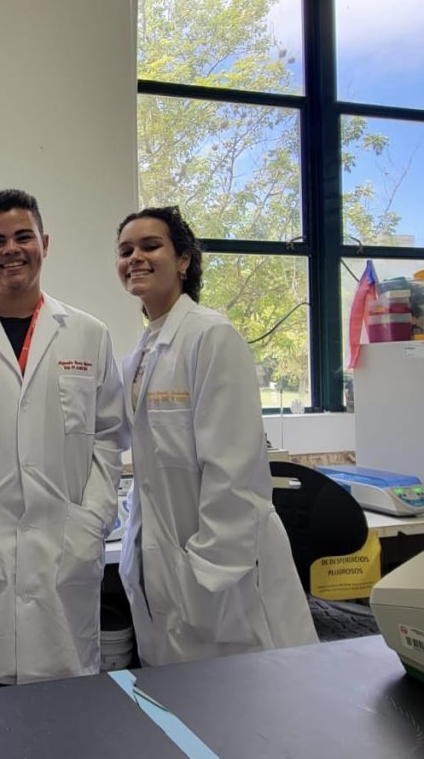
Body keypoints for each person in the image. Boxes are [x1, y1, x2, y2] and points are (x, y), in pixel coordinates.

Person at [0, 189, 127, 691]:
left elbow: (108, 437)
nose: (11, 249)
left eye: (22, 236)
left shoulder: (87, 334)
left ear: (44, 243)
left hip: (66, 549)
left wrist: (93, 518)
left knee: (66, 706)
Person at [115, 205, 318, 666]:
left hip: (221, 571)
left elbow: (234, 469)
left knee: (251, 709)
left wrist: (205, 570)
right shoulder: (141, 353)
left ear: (183, 260)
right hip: (164, 559)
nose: (135, 258)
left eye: (151, 246)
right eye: (126, 250)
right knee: (187, 708)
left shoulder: (212, 336)